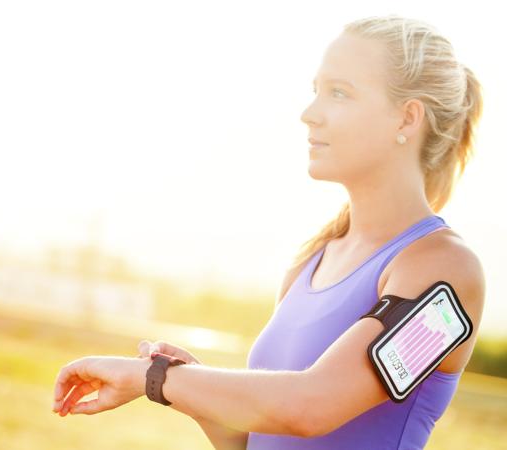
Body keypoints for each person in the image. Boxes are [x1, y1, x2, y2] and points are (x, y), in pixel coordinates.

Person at [52, 14, 485, 450]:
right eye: (316, 91)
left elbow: (312, 407)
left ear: (407, 119)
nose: (309, 114)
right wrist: (189, 388)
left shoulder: (445, 270)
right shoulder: (311, 260)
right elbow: (253, 441)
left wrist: (158, 378)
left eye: (339, 93)